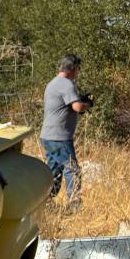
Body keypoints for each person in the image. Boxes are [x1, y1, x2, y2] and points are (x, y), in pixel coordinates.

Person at [40, 54, 92, 207]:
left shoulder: (53, 83)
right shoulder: (66, 84)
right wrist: (88, 104)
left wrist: (79, 99)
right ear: (73, 68)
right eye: (78, 69)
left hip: (48, 136)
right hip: (59, 137)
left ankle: (46, 202)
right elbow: (77, 107)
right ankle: (74, 204)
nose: (78, 72)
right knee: (72, 169)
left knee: (54, 171)